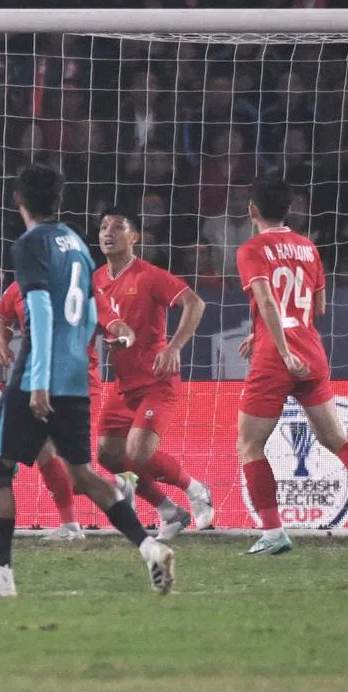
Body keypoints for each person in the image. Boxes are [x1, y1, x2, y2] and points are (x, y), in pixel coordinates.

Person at [0, 166, 174, 598]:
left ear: (19, 199)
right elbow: (91, 304)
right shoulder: (75, 241)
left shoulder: (29, 243)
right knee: (82, 473)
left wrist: (37, 382)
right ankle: (150, 547)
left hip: (42, 371)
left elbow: (37, 310)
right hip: (77, 373)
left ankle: (2, 580)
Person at [235, 179, 348, 554]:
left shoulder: (252, 249)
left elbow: (267, 303)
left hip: (277, 357)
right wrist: (267, 335)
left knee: (250, 445)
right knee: (336, 439)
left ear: (252, 211)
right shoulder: (308, 248)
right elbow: (318, 309)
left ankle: (273, 532)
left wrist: (278, 348)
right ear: (290, 210)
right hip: (311, 353)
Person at [93, 206, 215, 539]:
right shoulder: (97, 279)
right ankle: (168, 511)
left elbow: (195, 303)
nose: (108, 233)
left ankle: (196, 488)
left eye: (118, 227)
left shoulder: (149, 275)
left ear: (133, 238)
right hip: (121, 385)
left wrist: (173, 347)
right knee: (108, 456)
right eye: (104, 227)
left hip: (156, 381)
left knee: (138, 454)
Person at [0, 280, 93, 541]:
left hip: (68, 378)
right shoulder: (18, 287)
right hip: (35, 375)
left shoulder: (72, 285)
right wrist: (1, 346)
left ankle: (115, 489)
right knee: (45, 451)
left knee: (68, 462)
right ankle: (71, 525)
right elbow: (3, 320)